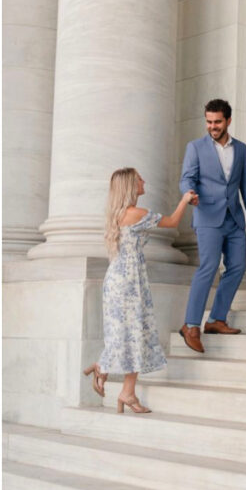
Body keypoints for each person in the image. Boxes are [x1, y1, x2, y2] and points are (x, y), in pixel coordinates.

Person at [83, 167, 195, 414]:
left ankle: (120, 383)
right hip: (129, 281)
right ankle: (119, 383)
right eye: (139, 179)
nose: (144, 181)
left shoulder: (118, 213)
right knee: (133, 333)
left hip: (117, 278)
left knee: (127, 333)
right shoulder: (136, 213)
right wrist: (185, 200)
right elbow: (172, 222)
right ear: (131, 186)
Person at [178, 98, 246, 356]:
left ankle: (216, 319)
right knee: (209, 266)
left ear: (228, 121)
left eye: (217, 122)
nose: (212, 126)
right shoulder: (196, 147)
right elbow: (187, 178)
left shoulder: (242, 149)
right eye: (209, 122)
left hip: (234, 218)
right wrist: (189, 193)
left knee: (237, 266)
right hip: (207, 217)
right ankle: (191, 325)